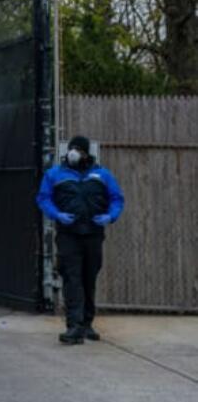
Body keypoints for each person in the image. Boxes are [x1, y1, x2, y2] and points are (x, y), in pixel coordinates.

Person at [36, 135, 125, 345]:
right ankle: (74, 326)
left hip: (93, 234)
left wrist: (110, 216)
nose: (74, 153)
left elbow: (116, 198)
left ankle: (86, 323)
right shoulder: (55, 174)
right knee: (72, 277)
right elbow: (43, 197)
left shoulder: (102, 174)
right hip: (68, 234)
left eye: (79, 150)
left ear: (87, 153)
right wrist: (56, 214)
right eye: (72, 149)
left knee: (89, 278)